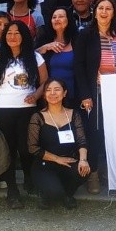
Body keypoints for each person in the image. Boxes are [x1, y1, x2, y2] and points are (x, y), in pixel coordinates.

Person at [0, 20, 49, 209]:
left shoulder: (35, 58)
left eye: (17, 33)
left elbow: (45, 81)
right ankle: (13, 191)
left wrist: (36, 94)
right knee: (8, 151)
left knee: (27, 149)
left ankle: (29, 178)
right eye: (9, 33)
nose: (12, 36)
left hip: (28, 111)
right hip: (3, 111)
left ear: (24, 36)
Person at [74, 0, 116, 194]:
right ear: (95, 12)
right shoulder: (85, 34)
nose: (104, 12)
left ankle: (111, 172)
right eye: (101, 8)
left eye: (109, 9)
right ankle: (94, 174)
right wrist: (85, 94)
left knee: (113, 134)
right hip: (95, 93)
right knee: (95, 133)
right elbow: (78, 66)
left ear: (114, 13)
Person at [27, 79, 89, 209]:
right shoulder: (37, 117)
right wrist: (57, 159)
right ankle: (46, 194)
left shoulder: (74, 114)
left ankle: (68, 194)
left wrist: (83, 160)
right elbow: (33, 148)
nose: (52, 93)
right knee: (54, 192)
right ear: (44, 95)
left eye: (57, 89)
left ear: (64, 93)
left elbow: (81, 141)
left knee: (84, 170)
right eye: (48, 90)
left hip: (68, 161)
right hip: (45, 164)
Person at [35, 7, 77, 107]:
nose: (57, 19)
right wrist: (44, 48)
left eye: (61, 16)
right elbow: (29, 57)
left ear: (68, 20)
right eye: (54, 17)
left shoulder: (77, 39)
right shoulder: (44, 38)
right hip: (49, 96)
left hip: (73, 94)